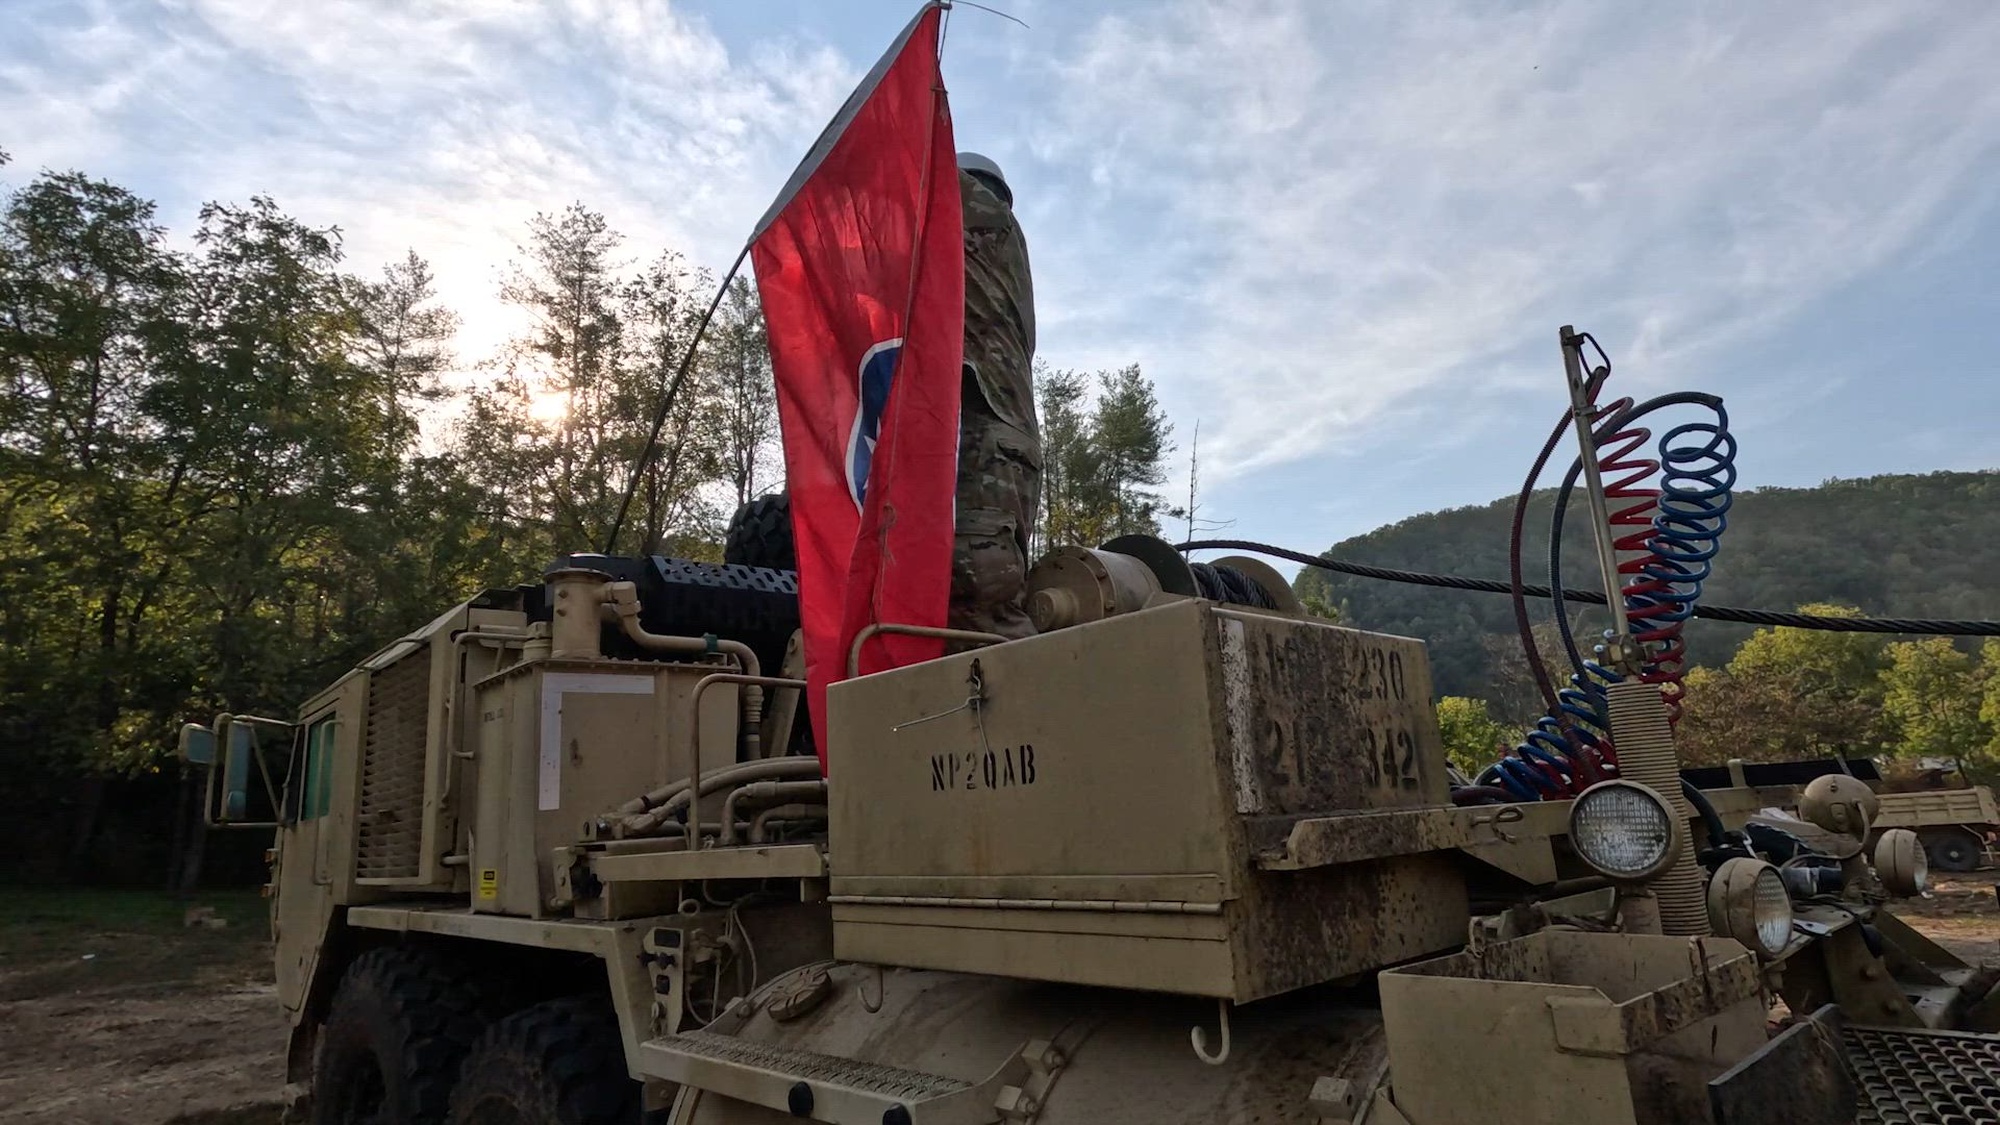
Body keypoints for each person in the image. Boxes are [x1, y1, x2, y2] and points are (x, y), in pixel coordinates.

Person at [950, 152, 1040, 640]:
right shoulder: (997, 258)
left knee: (978, 610)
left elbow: (916, 168)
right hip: (1002, 440)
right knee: (989, 593)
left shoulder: (989, 221)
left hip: (984, 438)